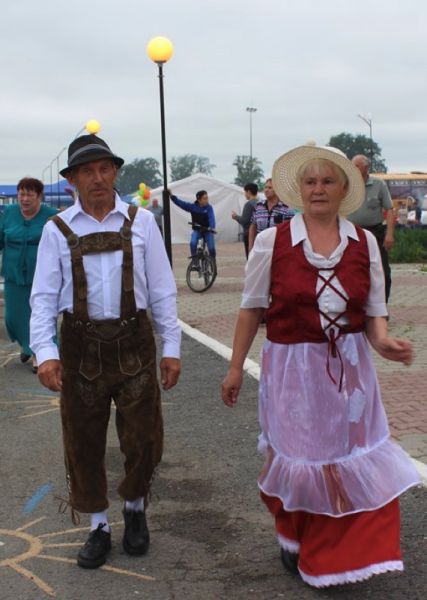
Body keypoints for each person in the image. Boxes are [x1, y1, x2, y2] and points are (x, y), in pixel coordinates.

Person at [222, 144, 420, 588]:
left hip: (351, 371)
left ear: (344, 188)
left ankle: (336, 555)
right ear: (299, 188)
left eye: (328, 181)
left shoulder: (364, 242)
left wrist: (383, 341)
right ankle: (296, 532)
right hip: (292, 370)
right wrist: (235, 368)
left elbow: (374, 311)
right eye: (310, 181)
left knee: (349, 455)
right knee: (302, 458)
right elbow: (251, 309)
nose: (318, 189)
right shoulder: (272, 242)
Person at [30, 134, 181, 570]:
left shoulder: (142, 222)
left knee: (144, 436)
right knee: (83, 439)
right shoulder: (57, 229)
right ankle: (98, 525)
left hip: (135, 342)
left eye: (103, 169)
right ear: (73, 180)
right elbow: (43, 297)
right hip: (80, 348)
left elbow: (162, 289)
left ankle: (134, 507)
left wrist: (171, 347)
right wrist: (45, 352)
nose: (97, 178)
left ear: (115, 172)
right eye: (87, 172)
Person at [0, 178, 57, 373]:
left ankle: (38, 354)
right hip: (13, 273)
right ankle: (26, 345)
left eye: (29, 194)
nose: (24, 199)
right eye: (21, 194)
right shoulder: (9, 213)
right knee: (13, 317)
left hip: (42, 273)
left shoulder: (51, 215)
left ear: (39, 196)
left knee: (41, 313)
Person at [347, 155, 394, 302]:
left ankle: (382, 305)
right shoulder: (346, 184)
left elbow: (390, 210)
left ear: (366, 168)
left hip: (375, 232)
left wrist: (389, 235)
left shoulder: (379, 184)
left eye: (357, 166)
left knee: (383, 272)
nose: (353, 169)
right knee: (352, 271)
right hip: (352, 233)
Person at [247, 178, 294, 253]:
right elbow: (253, 227)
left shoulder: (286, 209)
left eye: (270, 188)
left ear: (277, 190)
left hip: (279, 250)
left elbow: (289, 232)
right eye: (265, 187)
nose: (266, 190)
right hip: (260, 250)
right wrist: (250, 248)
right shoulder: (258, 207)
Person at [169, 189, 216, 261]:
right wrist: (172, 196)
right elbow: (181, 204)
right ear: (199, 200)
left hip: (208, 231)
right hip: (197, 230)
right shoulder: (193, 207)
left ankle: (213, 261)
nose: (207, 200)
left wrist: (211, 227)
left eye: (207, 198)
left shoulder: (209, 208)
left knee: (211, 248)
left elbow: (211, 217)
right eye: (205, 198)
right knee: (193, 243)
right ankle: (195, 261)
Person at [231, 183, 258, 259]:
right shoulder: (259, 203)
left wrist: (235, 217)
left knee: (250, 257)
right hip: (258, 233)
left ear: (248, 192)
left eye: (245, 192)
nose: (244, 194)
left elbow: (244, 221)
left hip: (249, 234)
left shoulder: (248, 204)